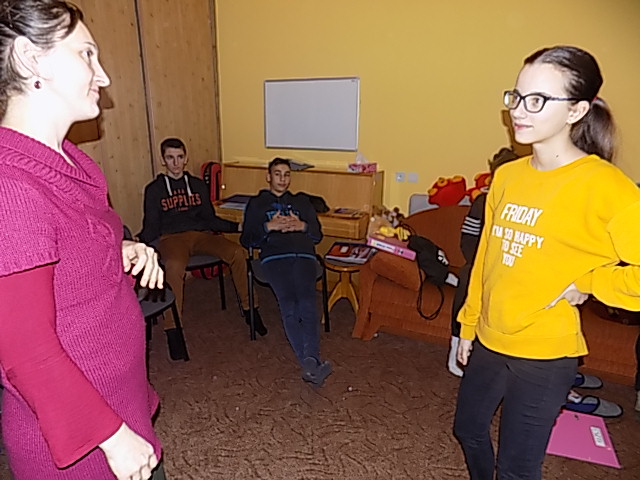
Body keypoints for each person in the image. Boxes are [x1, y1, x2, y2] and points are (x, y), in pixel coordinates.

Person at [453, 45, 640, 480]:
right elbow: (487, 259)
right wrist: (468, 324)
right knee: (468, 430)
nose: (518, 110)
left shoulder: (607, 187)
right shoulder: (507, 176)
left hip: (544, 355)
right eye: (517, 96)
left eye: (537, 99)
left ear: (577, 110)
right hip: (489, 340)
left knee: (517, 469)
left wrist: (590, 282)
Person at [0, 1, 165, 479]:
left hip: (119, 401)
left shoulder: (72, 162)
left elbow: (60, 254)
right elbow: (24, 351)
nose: (104, 75)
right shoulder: (12, 185)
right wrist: (112, 437)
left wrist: (117, 251)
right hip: (82, 440)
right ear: (31, 60)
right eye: (86, 55)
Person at [139, 137, 266, 360]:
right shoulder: (154, 190)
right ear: (163, 160)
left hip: (200, 235)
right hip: (171, 239)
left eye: (180, 157)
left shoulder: (197, 185)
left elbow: (210, 219)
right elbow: (151, 226)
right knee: (174, 266)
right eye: (170, 158)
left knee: (237, 253)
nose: (176, 163)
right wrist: (140, 245)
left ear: (186, 158)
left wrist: (237, 227)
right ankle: (173, 329)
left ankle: (250, 310)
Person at [240, 158, 332, 386]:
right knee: (289, 304)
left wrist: (302, 226)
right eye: (277, 174)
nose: (282, 179)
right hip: (275, 258)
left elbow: (317, 235)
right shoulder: (257, 203)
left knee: (307, 304)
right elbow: (247, 239)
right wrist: (268, 227)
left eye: (286, 174)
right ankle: (310, 363)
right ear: (268, 177)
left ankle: (310, 362)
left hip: (304, 256)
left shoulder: (301, 202)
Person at [448, 147, 518, 377]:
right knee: (468, 277)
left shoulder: (522, 204)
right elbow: (467, 238)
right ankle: (456, 345)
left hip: (510, 266)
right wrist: (482, 263)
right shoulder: (482, 202)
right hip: (480, 263)